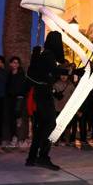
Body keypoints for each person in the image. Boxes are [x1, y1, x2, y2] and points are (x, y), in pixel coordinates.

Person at [26, 31, 65, 169]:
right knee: (49, 125)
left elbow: (45, 77)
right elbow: (54, 71)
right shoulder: (49, 55)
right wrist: (71, 72)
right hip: (43, 98)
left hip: (41, 95)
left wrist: (54, 92)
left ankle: (32, 157)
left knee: (41, 127)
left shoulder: (45, 54)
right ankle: (42, 156)